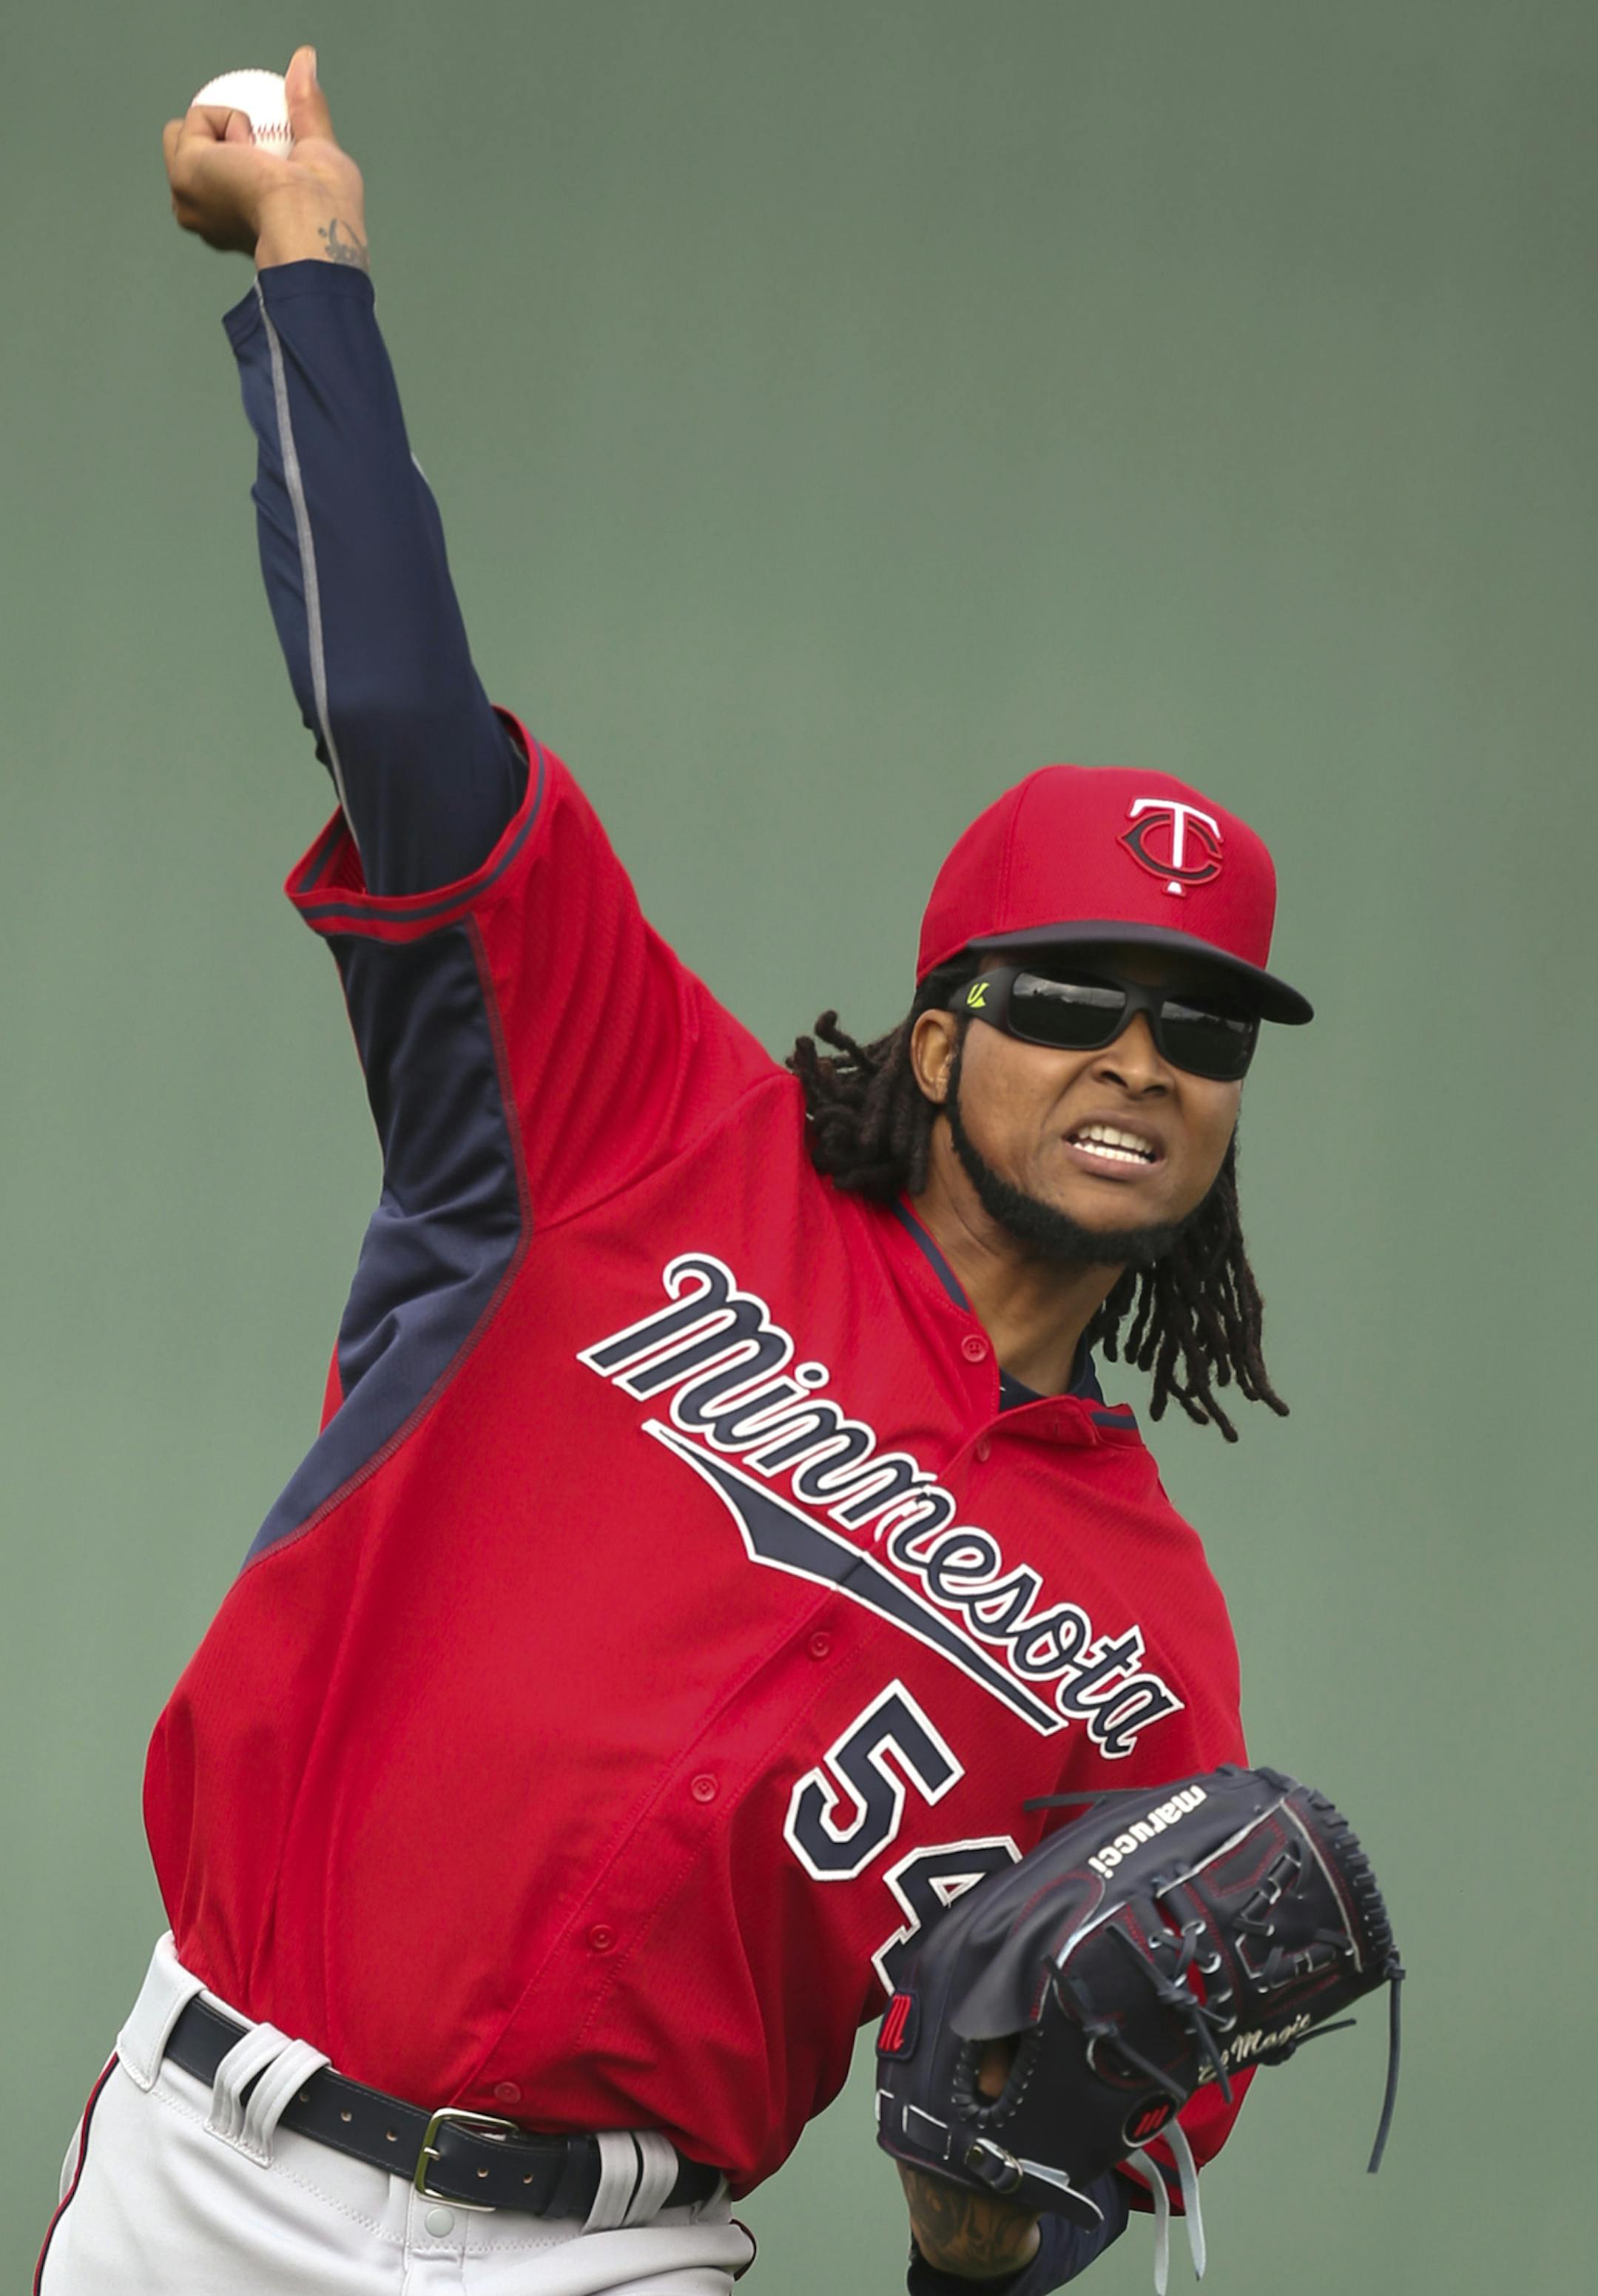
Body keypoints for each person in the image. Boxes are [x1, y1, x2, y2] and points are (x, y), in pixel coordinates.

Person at [36, 49, 1313, 2296]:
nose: (1135, 1060)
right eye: (1068, 1003)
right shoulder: (638, 1120)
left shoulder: (1146, 1647)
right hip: (206, 2169)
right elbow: (409, 723)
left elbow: (1050, 2194)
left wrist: (989, 2222)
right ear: (937, 1038)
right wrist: (309, 255)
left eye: (1198, 1029)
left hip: (607, 2255)